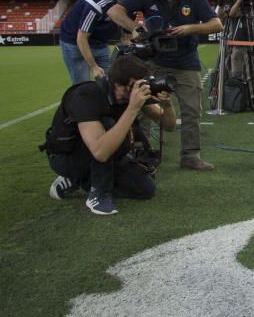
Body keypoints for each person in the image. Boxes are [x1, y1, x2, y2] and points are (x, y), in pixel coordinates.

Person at [108, 0, 222, 171]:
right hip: (152, 59)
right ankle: (140, 151)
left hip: (186, 60)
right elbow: (114, 11)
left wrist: (189, 29)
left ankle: (190, 155)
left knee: (191, 110)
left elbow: (217, 24)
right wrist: (134, 27)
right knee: (142, 105)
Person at [45, 55, 176, 215]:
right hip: (67, 156)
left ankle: (80, 180)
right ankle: (98, 193)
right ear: (117, 84)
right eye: (133, 85)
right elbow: (100, 152)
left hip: (103, 153)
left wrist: (167, 104)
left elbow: (169, 126)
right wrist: (133, 108)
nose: (138, 89)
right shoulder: (87, 95)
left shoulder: (131, 94)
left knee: (145, 189)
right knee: (108, 125)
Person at [59, 0, 139, 84]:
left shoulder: (132, 8)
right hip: (74, 42)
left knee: (110, 82)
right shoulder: (97, 5)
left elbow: (126, 36)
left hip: (100, 42)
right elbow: (81, 38)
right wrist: (94, 67)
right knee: (82, 84)